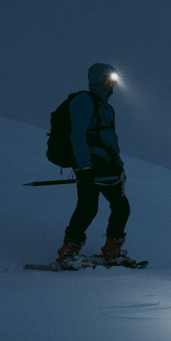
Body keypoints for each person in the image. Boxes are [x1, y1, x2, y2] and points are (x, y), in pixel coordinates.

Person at [55, 62, 135, 267]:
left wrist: (118, 165)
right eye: (108, 80)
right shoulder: (84, 100)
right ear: (97, 81)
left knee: (121, 207)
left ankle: (112, 251)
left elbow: (110, 139)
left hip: (109, 165)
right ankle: (68, 252)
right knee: (88, 207)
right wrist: (84, 166)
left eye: (114, 81)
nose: (112, 85)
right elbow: (77, 135)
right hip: (90, 164)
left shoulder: (107, 108)